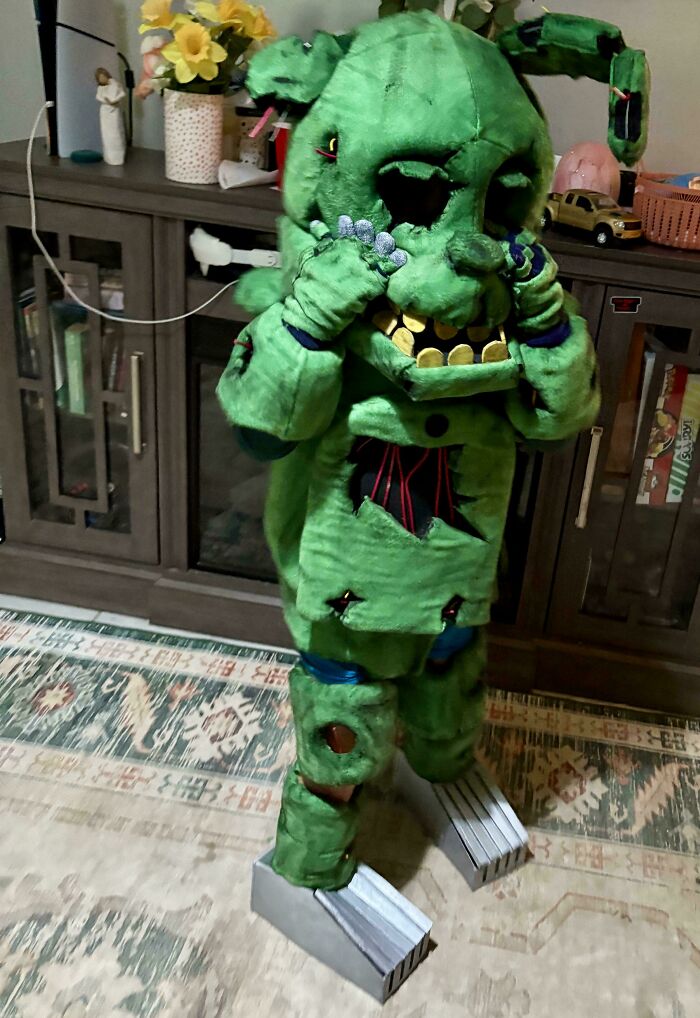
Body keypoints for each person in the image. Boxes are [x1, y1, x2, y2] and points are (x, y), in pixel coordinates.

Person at [95, 68, 126, 166]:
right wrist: (106, 100)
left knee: (115, 133)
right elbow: (98, 96)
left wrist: (114, 100)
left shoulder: (115, 84)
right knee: (106, 134)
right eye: (100, 78)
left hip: (113, 110)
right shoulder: (101, 88)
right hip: (105, 111)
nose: (102, 79)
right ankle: (109, 157)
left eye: (103, 76)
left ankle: (117, 158)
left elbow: (122, 93)